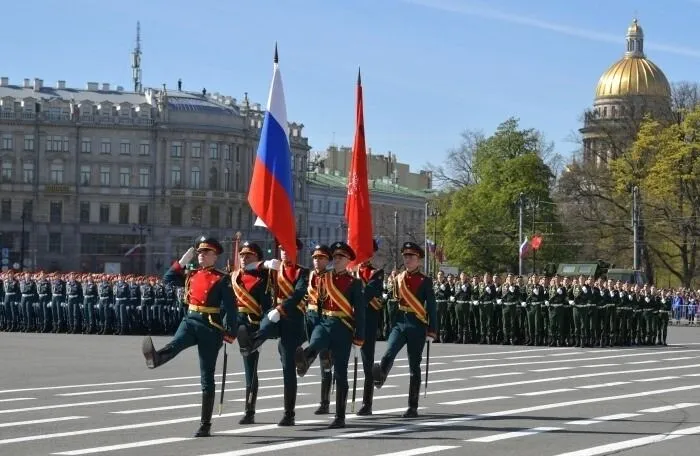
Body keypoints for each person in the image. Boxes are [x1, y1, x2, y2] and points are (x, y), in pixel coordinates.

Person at [141, 236, 236, 438]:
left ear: (214, 256)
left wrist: (230, 332)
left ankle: (205, 424)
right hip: (190, 319)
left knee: (206, 376)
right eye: (199, 252)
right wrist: (183, 260)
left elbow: (231, 308)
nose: (201, 255)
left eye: (205, 253)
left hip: (210, 326)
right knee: (176, 343)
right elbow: (167, 278)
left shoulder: (222, 278)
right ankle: (157, 358)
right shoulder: (191, 273)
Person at [294, 241, 365, 429]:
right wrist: (315, 325)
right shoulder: (324, 279)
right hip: (324, 322)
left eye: (341, 257)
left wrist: (359, 336)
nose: (337, 260)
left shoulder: (355, 283)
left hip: (343, 327)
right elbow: (317, 304)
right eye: (335, 257)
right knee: (315, 343)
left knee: (340, 374)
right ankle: (304, 361)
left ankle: (340, 416)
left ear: (348, 260)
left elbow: (360, 311)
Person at [237, 239, 308, 426]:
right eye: (282, 249)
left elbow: (299, 294)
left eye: (289, 249)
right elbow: (246, 267)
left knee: (288, 367)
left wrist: (281, 309)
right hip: (272, 317)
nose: (284, 252)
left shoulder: (302, 272)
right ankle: (251, 344)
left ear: (297, 251)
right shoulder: (272, 269)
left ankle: (289, 413)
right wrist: (264, 263)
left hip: (292, 320)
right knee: (264, 328)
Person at [372, 242, 437, 418]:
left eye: (411, 257)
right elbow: (392, 301)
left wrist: (432, 330)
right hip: (400, 322)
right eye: (406, 256)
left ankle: (412, 406)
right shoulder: (398, 278)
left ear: (419, 260)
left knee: (414, 366)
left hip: (417, 324)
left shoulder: (425, 280)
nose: (408, 259)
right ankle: (381, 375)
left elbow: (431, 306)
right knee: (388, 352)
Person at [232, 241, 272, 425]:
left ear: (257, 259)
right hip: (233, 325)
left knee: (250, 370)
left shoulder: (263, 281)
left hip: (250, 327)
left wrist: (262, 332)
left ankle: (249, 410)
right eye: (242, 255)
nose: (244, 258)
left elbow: (266, 308)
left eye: (249, 256)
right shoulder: (233, 277)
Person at [355, 239, 384, 416]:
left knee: (367, 363)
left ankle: (367, 403)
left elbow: (368, 294)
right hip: (349, 320)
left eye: (366, 252)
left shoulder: (376, 273)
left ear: (371, 254)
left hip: (368, 322)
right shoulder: (351, 271)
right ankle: (327, 399)